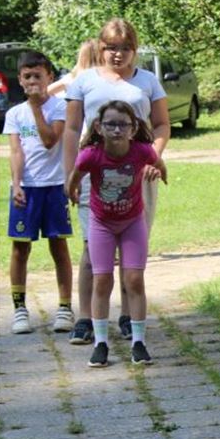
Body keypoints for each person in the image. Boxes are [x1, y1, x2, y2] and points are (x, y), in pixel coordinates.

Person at [63, 18, 170, 345]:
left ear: (135, 50)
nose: (118, 54)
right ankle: (86, 317)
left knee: (131, 247)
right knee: (91, 247)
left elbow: (161, 124)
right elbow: (72, 129)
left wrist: (154, 157)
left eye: (125, 48)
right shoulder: (85, 81)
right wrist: (70, 175)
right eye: (111, 47)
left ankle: (128, 315)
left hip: (138, 175)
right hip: (95, 175)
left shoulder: (148, 81)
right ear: (100, 47)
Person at [66, 100, 167, 367]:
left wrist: (162, 173)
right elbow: (75, 176)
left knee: (134, 279)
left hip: (132, 222)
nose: (117, 130)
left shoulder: (141, 151)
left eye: (123, 124)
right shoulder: (91, 155)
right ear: (99, 127)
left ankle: (138, 342)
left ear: (133, 129)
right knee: (102, 280)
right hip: (102, 224)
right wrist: (72, 191)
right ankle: (100, 343)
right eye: (110, 124)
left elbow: (159, 162)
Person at [3, 52, 75, 334]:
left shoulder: (60, 108)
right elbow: (16, 151)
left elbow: (49, 140)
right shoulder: (14, 114)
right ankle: (20, 309)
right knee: (20, 247)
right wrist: (17, 184)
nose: (32, 81)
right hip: (27, 188)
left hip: (54, 186)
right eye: (27, 76)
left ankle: (65, 307)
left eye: (37, 76)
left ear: (49, 78)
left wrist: (36, 108)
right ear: (20, 80)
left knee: (58, 245)